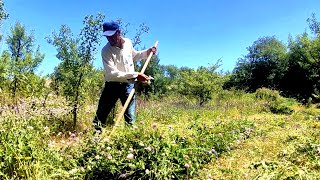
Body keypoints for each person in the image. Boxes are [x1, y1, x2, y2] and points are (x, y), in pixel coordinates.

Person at [93, 21, 157, 130]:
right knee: (101, 115)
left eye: (112, 36)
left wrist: (147, 52)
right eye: (107, 37)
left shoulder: (128, 42)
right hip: (111, 86)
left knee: (130, 118)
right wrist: (136, 75)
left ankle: (130, 142)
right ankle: (95, 140)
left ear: (119, 32)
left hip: (128, 86)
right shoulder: (106, 51)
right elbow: (112, 73)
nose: (110, 39)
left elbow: (135, 55)